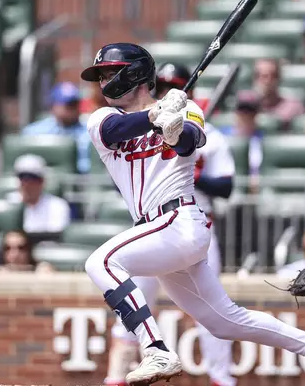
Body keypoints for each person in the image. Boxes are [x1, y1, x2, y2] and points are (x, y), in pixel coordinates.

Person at [80, 42, 305, 386]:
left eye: (109, 73)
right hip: (156, 233)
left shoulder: (185, 108)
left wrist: (173, 125)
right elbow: (114, 132)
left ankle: (155, 349)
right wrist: (153, 116)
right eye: (100, 75)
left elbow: (190, 142)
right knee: (224, 321)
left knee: (100, 262)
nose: (103, 82)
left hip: (180, 221)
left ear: (133, 73)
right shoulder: (103, 118)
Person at [102, 62, 237, 386]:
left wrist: (197, 174)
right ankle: (116, 377)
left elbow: (227, 187)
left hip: (194, 224)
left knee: (211, 311)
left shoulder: (211, 134)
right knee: (131, 302)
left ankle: (222, 380)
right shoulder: (138, 125)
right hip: (149, 228)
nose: (166, 89)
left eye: (173, 84)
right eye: (161, 84)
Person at [21, 82, 91, 173]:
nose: (73, 108)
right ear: (53, 106)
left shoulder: (89, 131)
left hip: (81, 181)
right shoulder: (33, 132)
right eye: (68, 104)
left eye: (75, 104)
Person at [6, 154, 71, 234]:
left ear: (42, 181)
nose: (27, 184)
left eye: (32, 179)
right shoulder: (9, 204)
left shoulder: (58, 206)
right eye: (22, 178)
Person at [249, 58, 305, 129]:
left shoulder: (294, 108)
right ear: (255, 79)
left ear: (279, 78)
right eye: (264, 76)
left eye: (273, 76)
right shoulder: (245, 107)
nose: (268, 81)